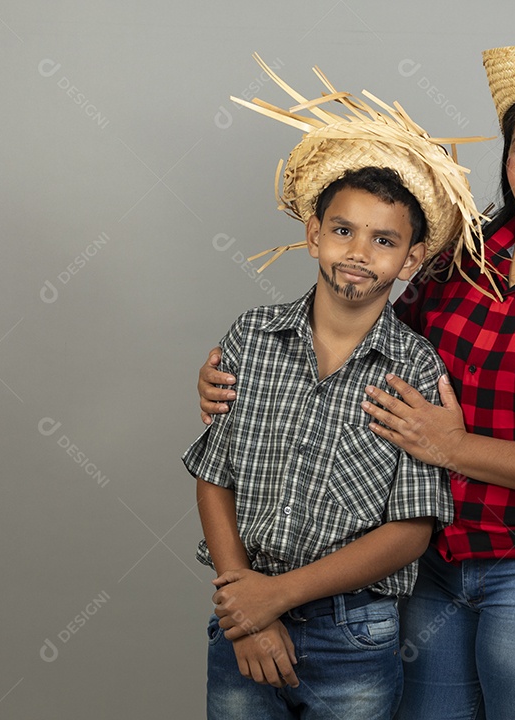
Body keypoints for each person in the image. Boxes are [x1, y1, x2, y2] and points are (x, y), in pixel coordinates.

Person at [199, 46, 515, 719]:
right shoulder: (463, 256)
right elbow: (365, 351)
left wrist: (453, 448)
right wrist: (242, 373)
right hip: (433, 561)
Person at [184, 56, 488, 720]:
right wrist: (247, 602)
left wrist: (278, 596)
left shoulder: (415, 371)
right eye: (343, 230)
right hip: (243, 611)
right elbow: (214, 477)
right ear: (313, 234)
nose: (358, 252)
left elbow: (410, 531)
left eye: (384, 241)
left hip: (354, 632)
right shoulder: (252, 337)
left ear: (410, 259)